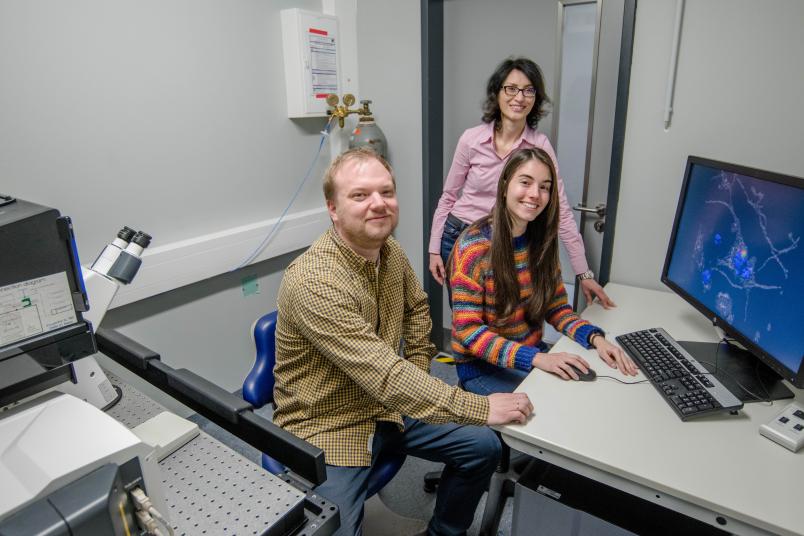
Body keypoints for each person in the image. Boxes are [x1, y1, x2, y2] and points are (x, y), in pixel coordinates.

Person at [272, 147, 534, 536]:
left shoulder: (388, 250)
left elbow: (416, 310)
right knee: (329, 528)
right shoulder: (315, 281)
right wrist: (479, 407)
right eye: (360, 195)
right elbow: (384, 375)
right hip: (329, 424)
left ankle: (443, 532)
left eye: (387, 192)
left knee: (483, 448)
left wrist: (414, 371)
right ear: (333, 208)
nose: (379, 204)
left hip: (387, 404)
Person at [449, 147, 638, 395]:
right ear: (505, 185)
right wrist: (537, 359)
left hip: (529, 355)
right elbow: (468, 332)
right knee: (552, 408)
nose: (535, 194)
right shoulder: (473, 248)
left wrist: (596, 340)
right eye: (525, 182)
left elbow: (556, 309)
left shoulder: (540, 243)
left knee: (592, 390)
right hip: (484, 367)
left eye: (545, 187)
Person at [429, 57, 614, 307]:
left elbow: (559, 211)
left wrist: (584, 273)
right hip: (460, 235)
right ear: (497, 93)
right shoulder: (471, 140)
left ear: (535, 98)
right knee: (468, 319)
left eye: (529, 90)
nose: (519, 97)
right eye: (511, 88)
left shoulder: (539, 146)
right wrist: (434, 249)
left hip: (508, 240)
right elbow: (448, 197)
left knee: (507, 318)